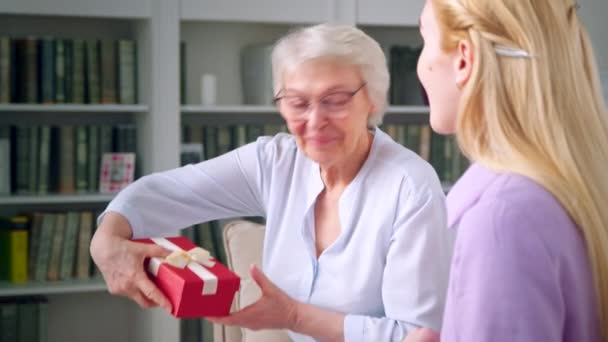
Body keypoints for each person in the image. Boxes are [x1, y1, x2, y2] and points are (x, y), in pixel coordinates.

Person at [90, 23, 454, 341]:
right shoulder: (274, 162)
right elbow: (159, 195)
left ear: (373, 99)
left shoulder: (410, 187)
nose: (315, 120)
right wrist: (105, 241)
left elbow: (417, 335)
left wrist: (294, 316)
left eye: (336, 100)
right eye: (297, 103)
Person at [405, 0, 608, 341]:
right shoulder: (566, 188)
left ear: (464, 60)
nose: (421, 65)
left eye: (425, 39)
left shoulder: (501, 219)